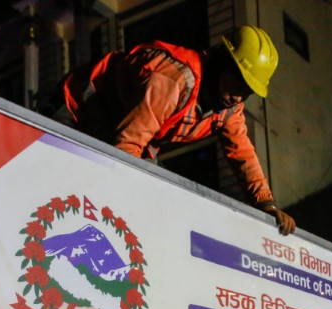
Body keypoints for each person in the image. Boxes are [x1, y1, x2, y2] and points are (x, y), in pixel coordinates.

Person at [61, 25, 297, 236]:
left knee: (146, 195)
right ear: (222, 64)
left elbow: (243, 153)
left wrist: (267, 205)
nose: (238, 97)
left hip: (123, 129)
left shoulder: (229, 108)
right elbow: (127, 147)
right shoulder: (173, 80)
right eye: (237, 85)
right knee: (68, 187)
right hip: (78, 110)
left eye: (246, 92)